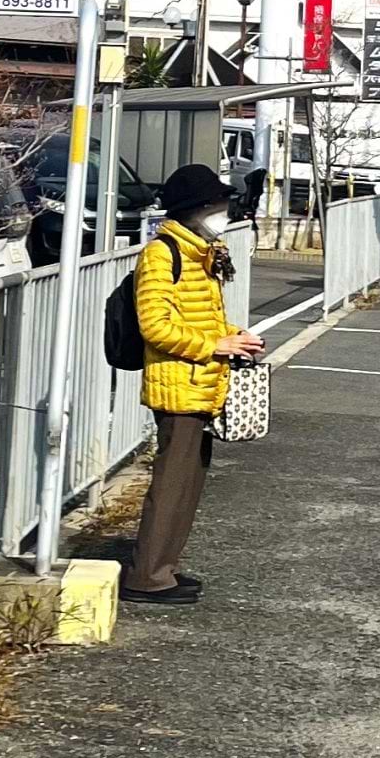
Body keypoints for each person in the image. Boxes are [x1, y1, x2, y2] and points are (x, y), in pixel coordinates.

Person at [123, 163, 263, 605]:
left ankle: (163, 567)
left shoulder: (200, 250)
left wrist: (234, 336)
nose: (225, 211)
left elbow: (200, 318)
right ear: (196, 209)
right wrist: (216, 345)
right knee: (172, 482)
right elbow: (156, 326)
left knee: (187, 482)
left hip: (201, 384)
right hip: (180, 384)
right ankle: (148, 576)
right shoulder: (163, 253)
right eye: (218, 204)